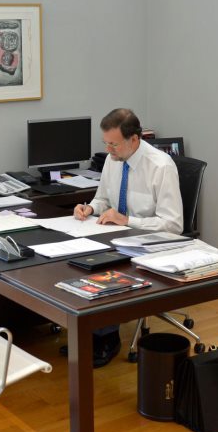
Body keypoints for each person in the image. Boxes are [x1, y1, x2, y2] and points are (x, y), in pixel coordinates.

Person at [70, 108, 183, 367]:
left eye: (114, 144)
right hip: (118, 236)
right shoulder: (113, 159)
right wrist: (90, 208)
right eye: (106, 143)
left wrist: (128, 220)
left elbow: (173, 225)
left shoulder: (161, 166)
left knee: (106, 266)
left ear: (134, 139)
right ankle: (87, 336)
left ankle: (106, 340)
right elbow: (103, 199)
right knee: (81, 260)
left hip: (151, 242)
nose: (108, 150)